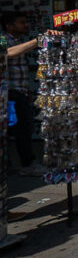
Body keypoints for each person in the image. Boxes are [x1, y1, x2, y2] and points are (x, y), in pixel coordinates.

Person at [1, 12, 44, 175]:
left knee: (20, 129)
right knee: (21, 130)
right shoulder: (4, 39)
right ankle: (27, 163)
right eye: (22, 22)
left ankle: (12, 163)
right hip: (10, 92)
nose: (26, 25)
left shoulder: (18, 40)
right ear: (9, 26)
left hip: (19, 91)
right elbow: (7, 53)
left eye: (27, 22)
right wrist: (36, 41)